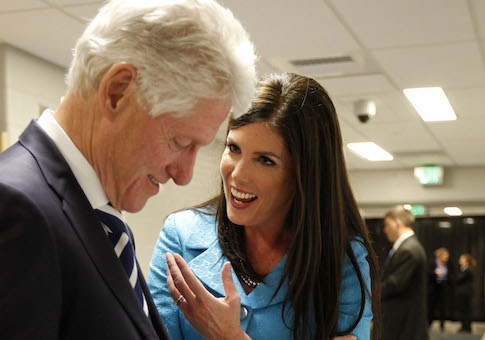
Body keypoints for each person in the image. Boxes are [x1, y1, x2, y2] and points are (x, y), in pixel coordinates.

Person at [0, 0, 256, 339]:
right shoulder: (18, 210)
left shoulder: (102, 222)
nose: (184, 175)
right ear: (119, 91)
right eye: (179, 142)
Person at [147, 73, 380, 340]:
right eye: (233, 148)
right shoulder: (181, 235)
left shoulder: (342, 259)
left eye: (265, 161)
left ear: (305, 175)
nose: (237, 175)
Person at [381, 205, 428, 340]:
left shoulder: (409, 249)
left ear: (398, 223)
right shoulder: (407, 247)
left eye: (387, 225)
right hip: (402, 323)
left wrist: (369, 291)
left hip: (405, 325)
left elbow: (394, 284)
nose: (385, 230)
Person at [428, 247, 453, 330]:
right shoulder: (433, 263)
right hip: (433, 289)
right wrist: (435, 273)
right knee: (431, 307)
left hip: (443, 288)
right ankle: (428, 324)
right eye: (445, 256)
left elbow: (451, 276)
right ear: (440, 256)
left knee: (442, 307)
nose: (447, 258)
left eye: (447, 256)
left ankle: (442, 325)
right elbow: (427, 273)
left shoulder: (448, 265)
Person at [455, 253, 476, 333]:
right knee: (463, 310)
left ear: (467, 260)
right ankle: (464, 326)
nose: (460, 260)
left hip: (465, 293)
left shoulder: (467, 269)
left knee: (465, 310)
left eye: (462, 258)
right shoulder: (463, 269)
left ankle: (467, 327)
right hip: (463, 292)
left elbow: (458, 279)